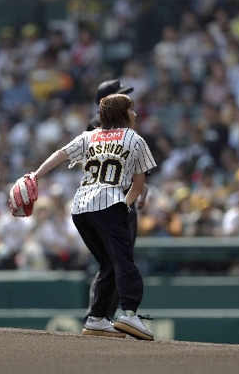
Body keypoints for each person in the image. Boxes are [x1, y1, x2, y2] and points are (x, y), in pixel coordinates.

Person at [32, 93, 157, 341]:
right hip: (109, 203)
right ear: (122, 113)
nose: (134, 114)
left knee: (108, 264)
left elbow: (60, 154)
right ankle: (130, 313)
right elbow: (138, 184)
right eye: (130, 110)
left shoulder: (90, 136)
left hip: (80, 208)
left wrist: (35, 175)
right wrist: (125, 205)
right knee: (124, 261)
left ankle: (97, 318)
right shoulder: (134, 138)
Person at [83, 79, 149, 324]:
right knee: (113, 262)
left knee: (118, 262)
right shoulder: (97, 126)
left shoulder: (119, 125)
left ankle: (103, 317)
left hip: (120, 200)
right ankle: (99, 316)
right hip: (109, 202)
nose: (127, 101)